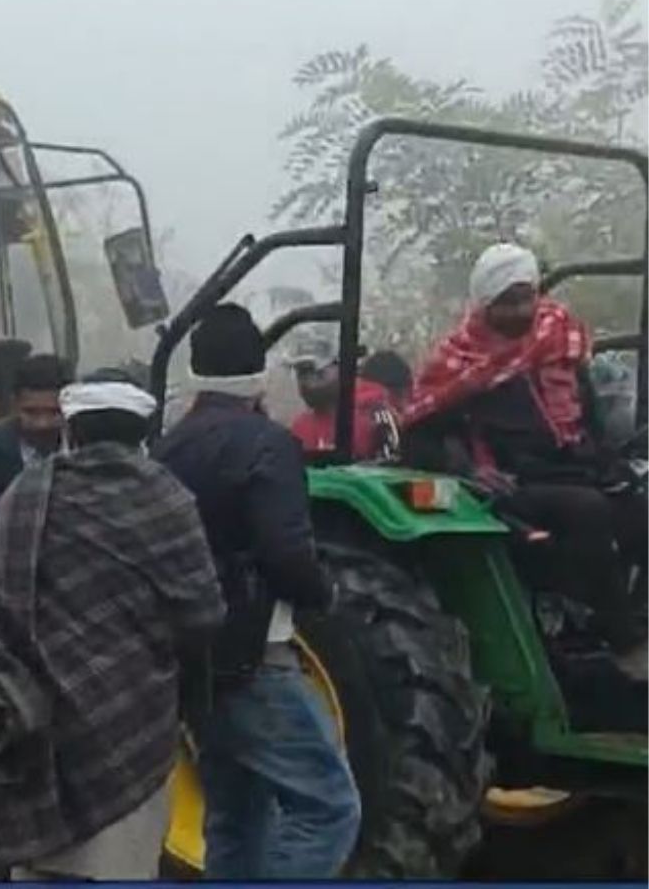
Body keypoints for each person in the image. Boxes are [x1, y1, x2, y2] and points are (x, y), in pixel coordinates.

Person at [0, 376, 224, 880]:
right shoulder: (167, 501)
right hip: (133, 730)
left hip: (36, 725)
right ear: (143, 436)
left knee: (42, 870)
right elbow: (203, 613)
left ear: (71, 432)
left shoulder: (29, 494)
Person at [152, 303, 360, 880]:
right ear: (258, 372)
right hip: (255, 656)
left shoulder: (169, 448)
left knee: (236, 811)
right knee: (329, 806)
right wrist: (325, 591)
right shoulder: (269, 444)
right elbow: (286, 554)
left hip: (193, 658)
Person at [402, 242, 646, 668]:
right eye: (507, 303)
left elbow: (587, 415)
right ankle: (619, 638)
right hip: (512, 481)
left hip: (574, 467)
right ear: (486, 305)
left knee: (639, 507)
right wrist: (469, 471)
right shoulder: (462, 361)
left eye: (526, 298)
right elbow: (420, 436)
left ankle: (636, 617)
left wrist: (610, 463)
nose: (519, 311)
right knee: (587, 511)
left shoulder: (558, 337)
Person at [0, 353, 72, 536]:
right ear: (14, 404)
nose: (42, 423)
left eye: (54, 413)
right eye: (31, 412)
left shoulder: (87, 449)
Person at [286, 336, 395, 458]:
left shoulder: (375, 414)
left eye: (315, 371)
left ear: (341, 366)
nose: (308, 382)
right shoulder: (300, 427)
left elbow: (394, 466)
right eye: (301, 373)